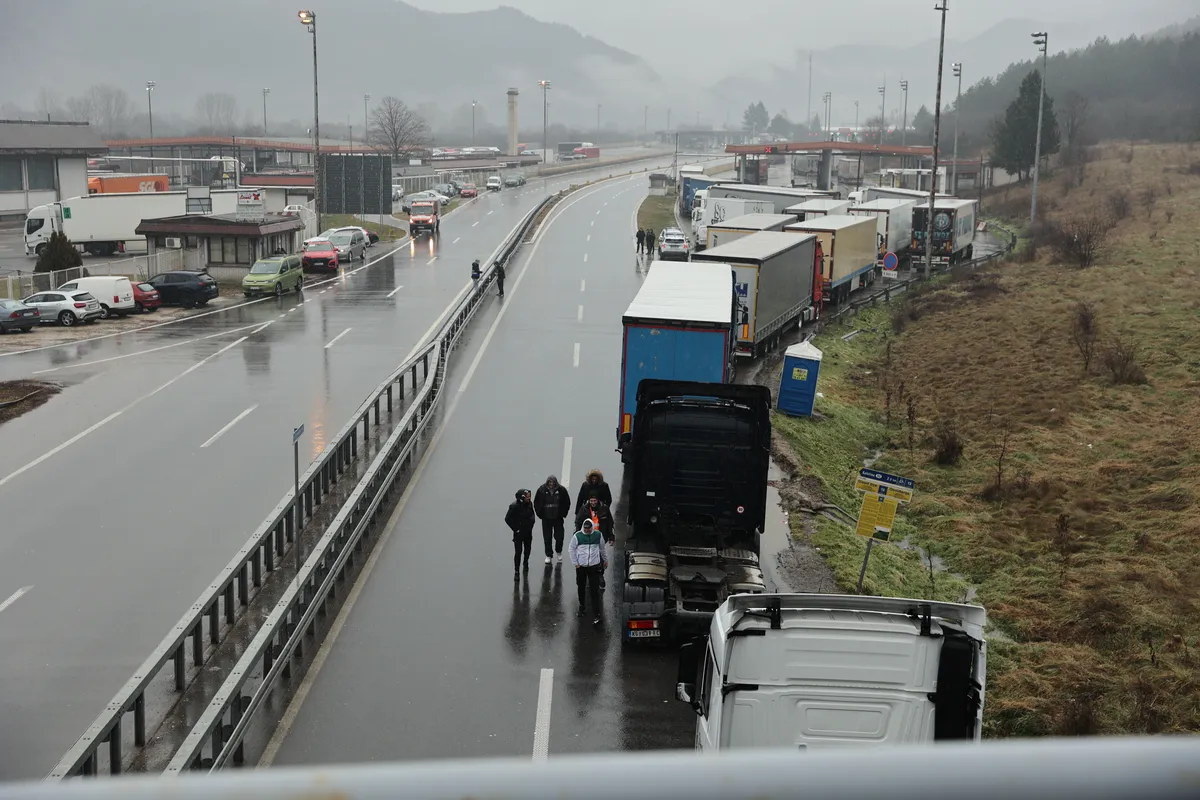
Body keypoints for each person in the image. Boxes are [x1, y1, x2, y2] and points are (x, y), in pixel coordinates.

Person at [568, 517, 606, 625]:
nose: (587, 531)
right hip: (581, 567)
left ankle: (597, 614)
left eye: (589, 529)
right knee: (581, 587)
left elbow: (602, 549)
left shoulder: (598, 535)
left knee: (594, 591)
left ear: (592, 528)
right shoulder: (577, 536)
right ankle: (582, 607)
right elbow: (571, 549)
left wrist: (605, 561)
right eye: (585, 529)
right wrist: (576, 563)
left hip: (594, 566)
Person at [534, 475, 571, 564]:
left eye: (553, 482)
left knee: (559, 537)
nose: (551, 484)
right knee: (547, 538)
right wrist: (540, 514)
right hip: (546, 519)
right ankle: (548, 555)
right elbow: (536, 503)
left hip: (558, 518)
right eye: (549, 482)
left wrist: (563, 513)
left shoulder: (561, 490)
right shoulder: (541, 490)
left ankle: (559, 551)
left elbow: (567, 502)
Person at [504, 489, 535, 578]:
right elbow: (507, 519)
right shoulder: (514, 507)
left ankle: (525, 562)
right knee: (518, 552)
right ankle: (516, 571)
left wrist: (531, 523)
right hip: (518, 534)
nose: (529, 498)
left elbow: (532, 515)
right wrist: (516, 529)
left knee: (527, 549)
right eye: (527, 496)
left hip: (528, 532)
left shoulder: (529, 504)